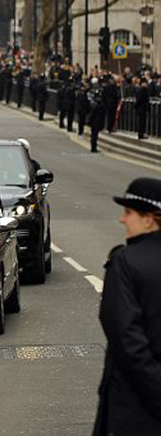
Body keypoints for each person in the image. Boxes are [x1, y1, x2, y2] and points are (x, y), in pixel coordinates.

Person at [93, 177, 161, 435]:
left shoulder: (125, 263)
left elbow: (125, 337)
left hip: (136, 405)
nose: (123, 220)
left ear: (148, 218)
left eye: (128, 212)